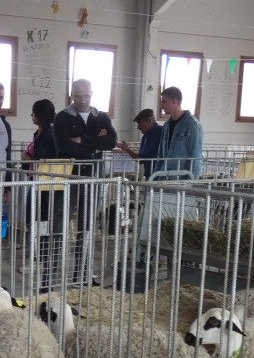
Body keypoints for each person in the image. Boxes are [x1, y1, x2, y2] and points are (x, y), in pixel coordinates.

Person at [54, 79, 116, 286]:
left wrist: (83, 141)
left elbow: (112, 141)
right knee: (61, 220)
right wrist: (94, 147)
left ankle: (80, 274)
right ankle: (51, 273)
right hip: (70, 176)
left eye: (86, 96)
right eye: (78, 96)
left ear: (92, 94)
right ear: (71, 95)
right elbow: (63, 144)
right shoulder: (62, 117)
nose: (82, 100)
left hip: (93, 176)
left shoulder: (100, 117)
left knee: (87, 224)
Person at [26, 99, 63, 292]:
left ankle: (47, 274)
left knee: (46, 227)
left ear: (39, 115)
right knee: (34, 223)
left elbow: (52, 160)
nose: (31, 116)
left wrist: (34, 161)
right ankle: (38, 263)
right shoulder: (38, 133)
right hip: (36, 183)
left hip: (48, 188)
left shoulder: (51, 134)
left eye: (33, 112)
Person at [156, 87, 203, 179]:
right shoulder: (166, 126)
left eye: (164, 102)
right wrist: (156, 177)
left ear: (174, 101)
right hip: (164, 178)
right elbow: (160, 156)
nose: (162, 105)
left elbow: (196, 158)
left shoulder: (193, 125)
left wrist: (191, 183)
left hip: (181, 179)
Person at [116, 109, 163, 179]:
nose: (138, 127)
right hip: (150, 176)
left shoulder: (162, 132)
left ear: (149, 121)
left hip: (162, 176)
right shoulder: (145, 137)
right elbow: (140, 160)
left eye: (140, 123)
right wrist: (127, 149)